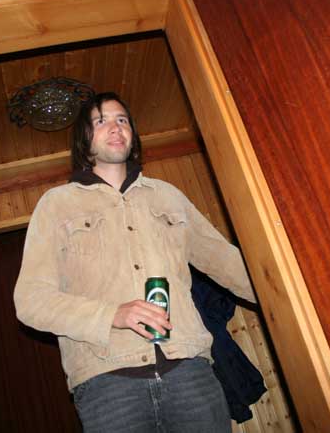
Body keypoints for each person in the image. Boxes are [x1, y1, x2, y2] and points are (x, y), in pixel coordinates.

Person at [14, 92, 257, 432]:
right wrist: (112, 314)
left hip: (190, 375)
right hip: (107, 387)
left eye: (122, 120)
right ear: (84, 138)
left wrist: (298, 295)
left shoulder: (168, 195)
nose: (115, 127)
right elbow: (31, 302)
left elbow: (229, 264)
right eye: (101, 121)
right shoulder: (56, 205)